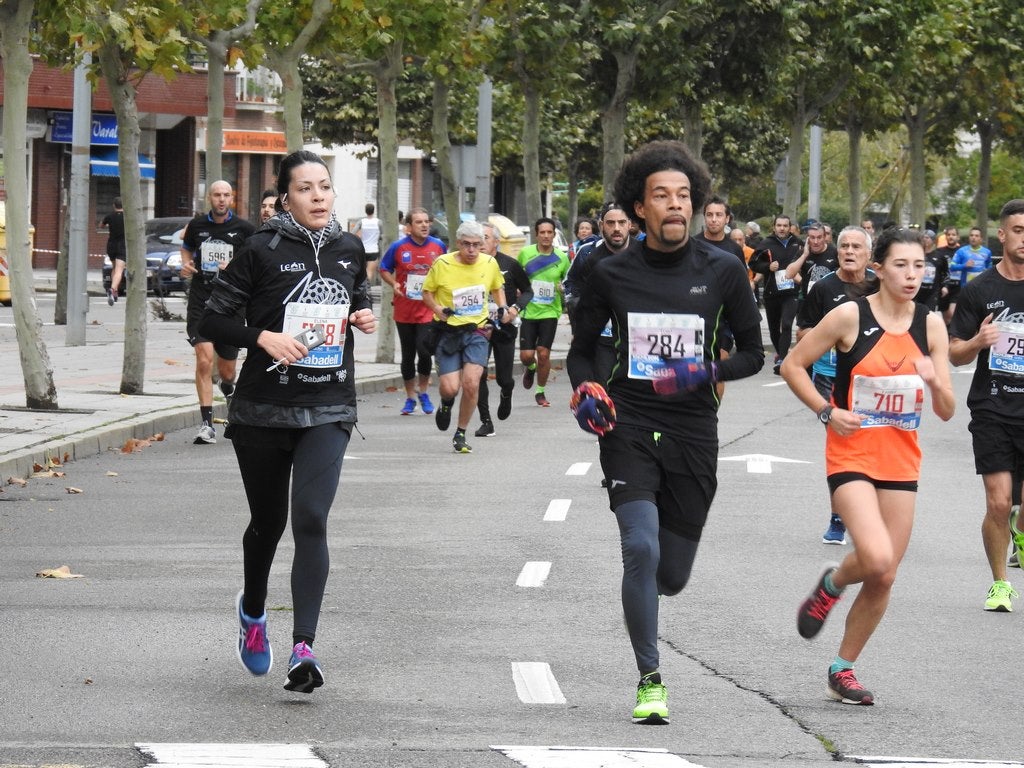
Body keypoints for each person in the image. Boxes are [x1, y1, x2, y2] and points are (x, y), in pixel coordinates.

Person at [567, 140, 764, 724]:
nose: (675, 205)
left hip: (694, 429)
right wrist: (585, 389)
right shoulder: (612, 272)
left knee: (670, 576)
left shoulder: (724, 270)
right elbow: (581, 352)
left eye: (683, 196)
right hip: (628, 421)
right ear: (639, 208)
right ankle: (650, 678)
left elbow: (754, 354)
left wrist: (705, 370)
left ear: (696, 205)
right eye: (661, 196)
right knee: (640, 547)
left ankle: (655, 603)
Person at [198, 149, 376, 694]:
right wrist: (262, 337)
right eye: (306, 188)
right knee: (268, 524)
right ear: (286, 197)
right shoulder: (259, 250)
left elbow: (357, 298)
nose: (319, 196)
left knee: (312, 520)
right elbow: (213, 319)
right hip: (263, 410)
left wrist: (362, 315)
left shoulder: (349, 249)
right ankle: (253, 610)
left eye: (325, 186)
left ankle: (304, 648)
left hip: (328, 405)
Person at [783, 226, 955, 706]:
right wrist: (826, 410)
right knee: (876, 556)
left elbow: (945, 409)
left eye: (920, 266)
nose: (912, 275)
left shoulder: (931, 325)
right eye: (901, 265)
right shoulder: (848, 316)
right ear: (878, 268)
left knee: (884, 574)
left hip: (901, 460)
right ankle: (833, 582)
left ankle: (843, 668)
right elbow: (793, 365)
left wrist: (934, 382)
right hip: (851, 454)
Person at [948, 199, 1024, 612]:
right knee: (998, 501)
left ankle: (1021, 531)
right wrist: (978, 341)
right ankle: (1000, 584)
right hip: (993, 408)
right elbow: (955, 353)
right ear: (1002, 234)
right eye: (1018, 230)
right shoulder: (980, 289)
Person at [794, 226, 877, 545]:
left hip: (873, 380)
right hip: (831, 375)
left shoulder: (880, 285)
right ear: (837, 250)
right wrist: (830, 339)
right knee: (842, 448)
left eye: (857, 246)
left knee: (873, 446)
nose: (850, 251)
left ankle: (869, 508)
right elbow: (802, 332)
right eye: (844, 246)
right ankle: (838, 517)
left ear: (869, 254)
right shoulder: (824, 288)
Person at [421, 220, 508, 453]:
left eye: (477, 245)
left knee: (471, 384)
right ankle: (446, 404)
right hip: (448, 332)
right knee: (450, 388)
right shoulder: (442, 263)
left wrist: (502, 307)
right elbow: (427, 293)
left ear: (483, 244)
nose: (471, 250)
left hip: (477, 331)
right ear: (457, 243)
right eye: (466, 245)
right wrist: (438, 309)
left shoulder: (489, 263)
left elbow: (497, 287)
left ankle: (460, 433)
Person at [180, 180, 255, 444]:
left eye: (226, 195)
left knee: (226, 372)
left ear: (232, 199)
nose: (221, 199)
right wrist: (186, 264)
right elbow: (187, 248)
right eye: (216, 195)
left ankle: (228, 389)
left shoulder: (245, 229)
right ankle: (206, 424)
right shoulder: (198, 225)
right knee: (203, 359)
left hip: (230, 304)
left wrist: (233, 265)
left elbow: (253, 261)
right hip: (201, 300)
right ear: (209, 198)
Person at [379, 208, 446, 415]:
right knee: (408, 355)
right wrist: (394, 284)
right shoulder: (399, 247)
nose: (425, 225)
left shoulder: (439, 246)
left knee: (424, 350)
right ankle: (409, 397)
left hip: (428, 308)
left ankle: (423, 391)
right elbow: (383, 268)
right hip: (405, 309)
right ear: (408, 227)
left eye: (427, 221)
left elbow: (447, 270)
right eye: (419, 222)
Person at [563, 202, 633, 382]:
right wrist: (580, 314)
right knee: (603, 383)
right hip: (601, 334)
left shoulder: (642, 253)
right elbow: (570, 284)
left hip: (633, 338)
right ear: (601, 226)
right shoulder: (588, 254)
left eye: (621, 222)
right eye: (610, 223)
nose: (616, 228)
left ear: (629, 224)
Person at [474, 221, 532, 437]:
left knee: (503, 378)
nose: (480, 243)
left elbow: (527, 291)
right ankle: (486, 421)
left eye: (485, 238)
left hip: (504, 328)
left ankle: (507, 392)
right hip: (478, 328)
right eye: (477, 238)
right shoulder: (469, 265)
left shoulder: (510, 264)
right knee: (477, 374)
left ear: (496, 241)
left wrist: (515, 308)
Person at [518, 217, 570, 406]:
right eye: (543, 232)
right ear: (537, 234)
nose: (546, 236)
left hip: (550, 312)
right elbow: (517, 277)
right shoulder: (525, 253)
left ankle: (540, 391)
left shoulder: (562, 258)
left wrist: (562, 288)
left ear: (554, 235)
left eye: (550, 232)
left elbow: (568, 283)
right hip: (529, 312)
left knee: (544, 353)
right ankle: (531, 368)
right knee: (526, 356)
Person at [750, 214, 803, 374]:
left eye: (785, 226)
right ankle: (781, 352)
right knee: (774, 328)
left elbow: (807, 263)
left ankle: (782, 358)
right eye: (779, 225)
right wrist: (768, 267)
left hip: (791, 292)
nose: (782, 228)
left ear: (790, 227)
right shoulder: (766, 244)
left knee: (786, 324)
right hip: (772, 292)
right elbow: (753, 264)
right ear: (774, 227)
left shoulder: (798, 244)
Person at [784, 221, 838, 307]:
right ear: (808, 238)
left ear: (824, 237)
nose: (816, 241)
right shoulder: (803, 253)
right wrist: (805, 255)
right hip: (808, 302)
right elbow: (788, 274)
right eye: (812, 237)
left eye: (819, 237)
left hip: (830, 302)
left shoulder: (835, 252)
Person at [693, 196, 746, 264]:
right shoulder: (692, 246)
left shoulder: (735, 250)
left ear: (727, 219)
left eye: (719, 215)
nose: (713, 219)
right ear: (705, 218)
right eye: (709, 215)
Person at [914, 229, 948, 312]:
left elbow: (945, 273)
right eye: (923, 238)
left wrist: (945, 286)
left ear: (933, 240)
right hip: (917, 290)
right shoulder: (916, 254)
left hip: (932, 292)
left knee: (928, 314)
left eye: (927, 237)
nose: (924, 240)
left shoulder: (939, 256)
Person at [950, 226, 993, 292]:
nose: (973, 237)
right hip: (966, 288)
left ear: (981, 238)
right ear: (969, 238)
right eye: (971, 235)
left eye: (976, 236)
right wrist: (964, 265)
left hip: (981, 288)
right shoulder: (961, 251)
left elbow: (989, 268)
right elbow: (952, 267)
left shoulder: (987, 252)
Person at [102, 197, 126, 305]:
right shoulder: (127, 217)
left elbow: (101, 225)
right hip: (122, 245)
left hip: (111, 244)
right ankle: (112, 289)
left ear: (114, 205)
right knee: (119, 270)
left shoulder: (109, 216)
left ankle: (114, 292)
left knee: (114, 267)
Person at [936, 226, 961, 323]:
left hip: (958, 286)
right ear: (945, 237)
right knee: (946, 317)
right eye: (948, 235)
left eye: (953, 235)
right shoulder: (940, 252)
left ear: (957, 237)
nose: (951, 237)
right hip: (945, 286)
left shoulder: (962, 251)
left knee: (952, 312)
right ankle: (947, 336)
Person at [352, 202, 382, 283]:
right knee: (369, 272)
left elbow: (353, 233)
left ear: (366, 211)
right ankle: (367, 289)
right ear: (373, 211)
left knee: (361, 271)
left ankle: (361, 288)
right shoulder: (378, 222)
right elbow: (382, 235)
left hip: (363, 250)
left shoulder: (361, 221)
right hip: (374, 250)